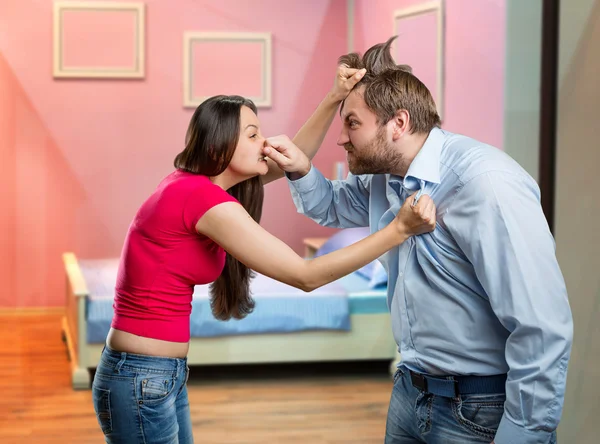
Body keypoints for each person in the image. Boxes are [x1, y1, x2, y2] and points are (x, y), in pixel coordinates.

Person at [262, 37, 573, 444]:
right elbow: (332, 207)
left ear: (399, 123)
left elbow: (542, 327)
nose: (341, 139)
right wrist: (300, 169)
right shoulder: (384, 178)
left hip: (482, 407)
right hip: (410, 391)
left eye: (352, 123)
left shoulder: (485, 184)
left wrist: (525, 434)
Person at [91, 92, 437, 444]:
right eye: (253, 134)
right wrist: (398, 230)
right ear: (219, 147)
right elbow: (306, 275)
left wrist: (332, 98)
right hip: (140, 377)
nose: (266, 142)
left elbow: (292, 156)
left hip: (154, 374)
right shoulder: (203, 200)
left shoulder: (192, 185)